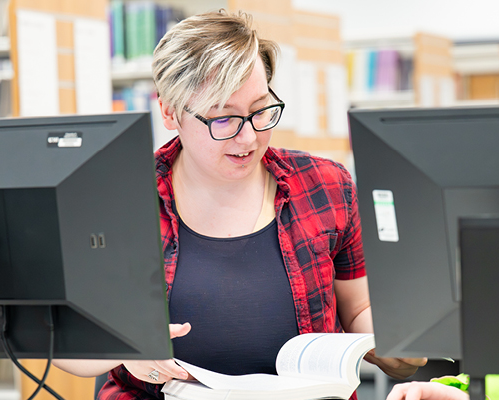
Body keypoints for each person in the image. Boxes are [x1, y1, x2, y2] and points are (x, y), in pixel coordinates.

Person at [53, 10, 427, 399]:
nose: (248, 137)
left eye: (260, 110)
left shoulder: (325, 185)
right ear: (169, 112)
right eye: (224, 119)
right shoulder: (119, 199)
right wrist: (126, 350)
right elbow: (64, 343)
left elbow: (358, 306)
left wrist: (395, 341)